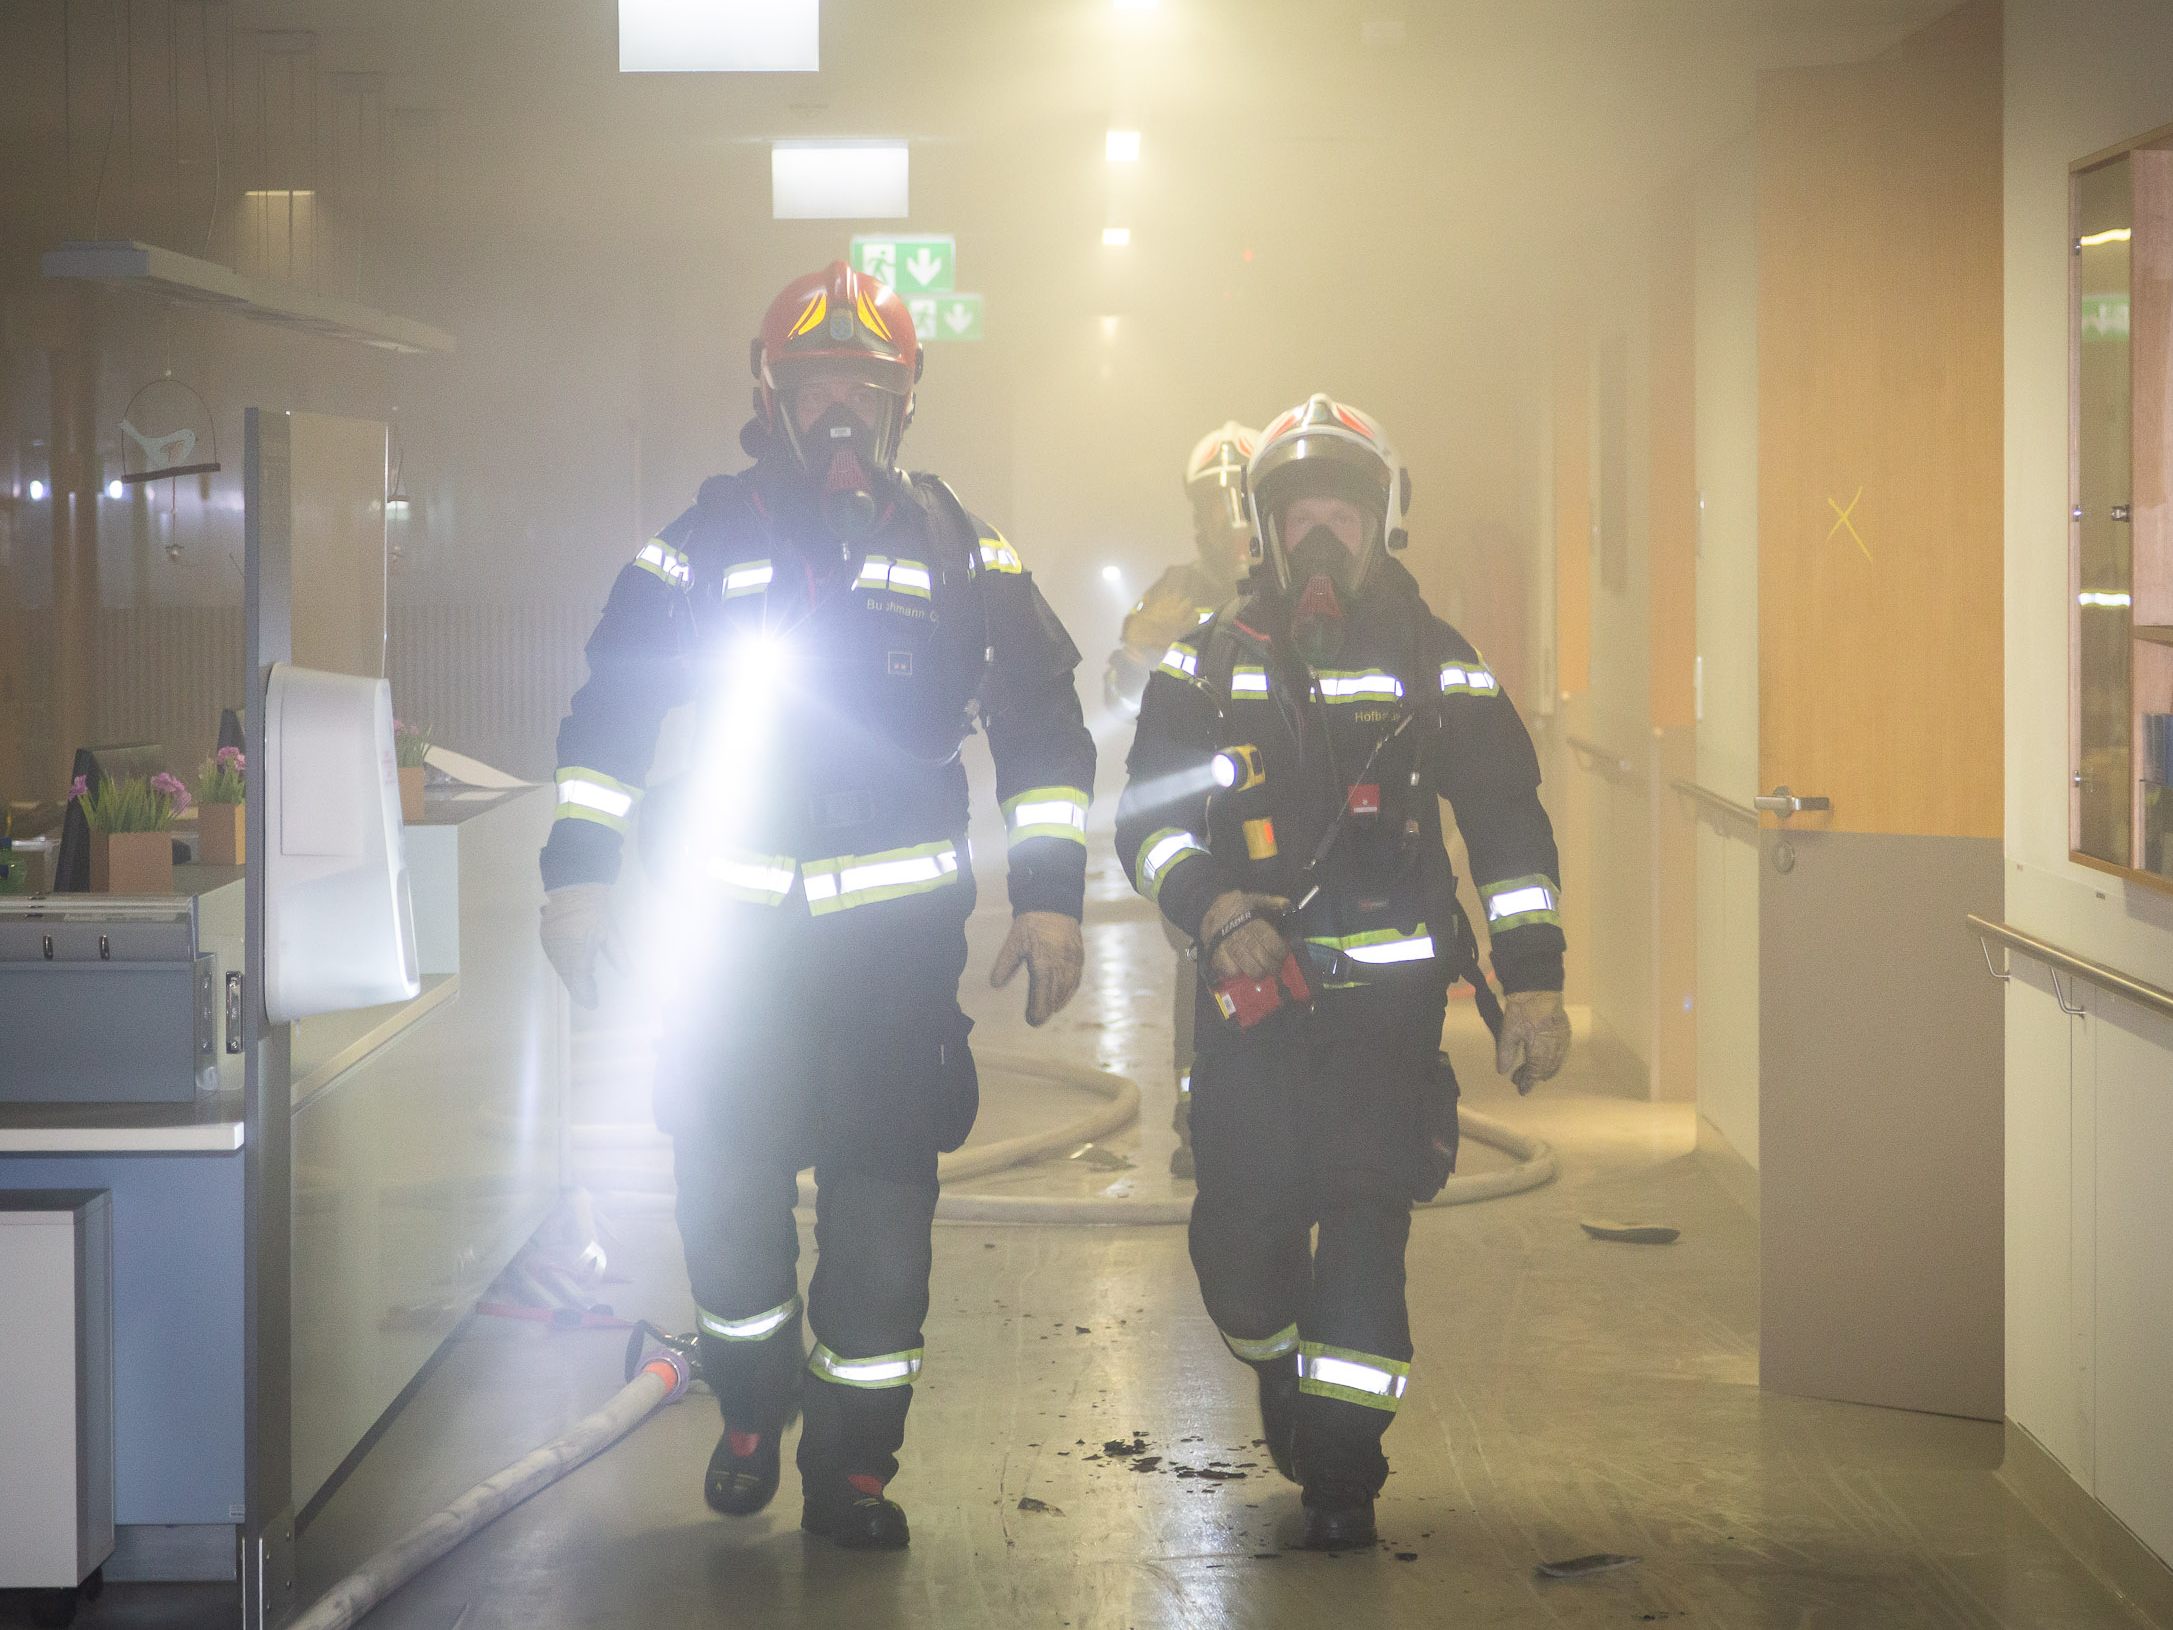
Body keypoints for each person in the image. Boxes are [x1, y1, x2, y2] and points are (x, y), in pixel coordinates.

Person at [538, 261, 1095, 1551]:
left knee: (884, 1252)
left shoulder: (960, 545)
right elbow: (608, 715)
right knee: (730, 1234)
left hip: (894, 983)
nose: (840, 416)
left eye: (865, 389)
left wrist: (1052, 896)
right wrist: (579, 878)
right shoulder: (706, 540)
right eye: (814, 389)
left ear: (903, 403)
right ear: (768, 394)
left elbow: (1044, 718)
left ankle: (852, 1472)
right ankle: (749, 1406)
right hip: (732, 975)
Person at [1114, 393, 1570, 1549]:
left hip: (1387, 1028)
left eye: (1343, 514)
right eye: (1297, 515)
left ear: (1382, 524)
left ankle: (1342, 1475)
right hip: (1253, 1023)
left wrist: (1535, 979)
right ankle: (1278, 1364)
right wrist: (1213, 907)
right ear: (1260, 532)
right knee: (1238, 1255)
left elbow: (1509, 825)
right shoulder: (1206, 661)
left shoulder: (1437, 665)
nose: (1320, 538)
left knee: (1365, 1250)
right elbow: (1148, 824)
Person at [1103, 421, 1260, 1179]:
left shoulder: (1301, 595)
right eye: (1213, 504)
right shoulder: (1176, 594)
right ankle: (1202, 1118)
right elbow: (1123, 686)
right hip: (1202, 815)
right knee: (1206, 959)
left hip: (1289, 815)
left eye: (1240, 500)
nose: (1228, 520)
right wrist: (1142, 658)